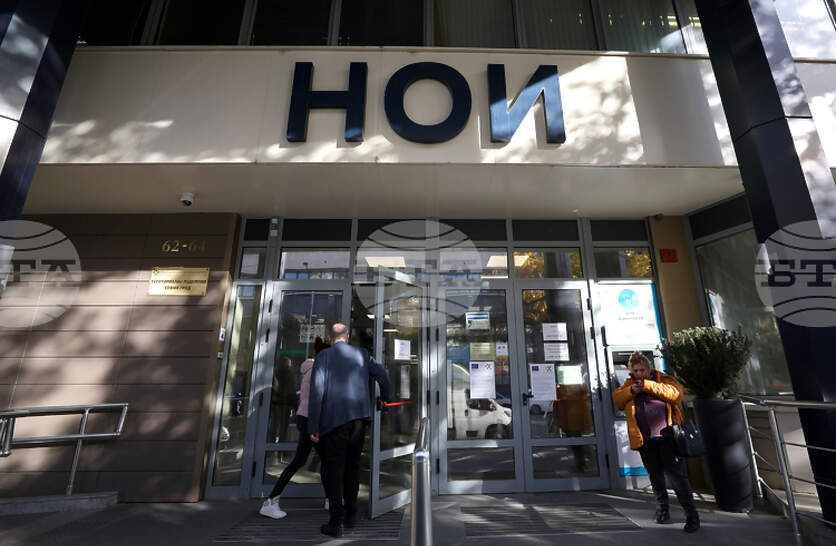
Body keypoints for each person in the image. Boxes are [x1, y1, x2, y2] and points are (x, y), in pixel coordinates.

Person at [307, 323, 392, 538]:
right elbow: (383, 374)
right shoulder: (362, 354)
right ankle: (351, 516)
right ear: (346, 338)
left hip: (334, 422)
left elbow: (316, 393)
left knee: (333, 471)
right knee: (352, 468)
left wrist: (313, 425)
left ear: (330, 338)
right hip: (358, 420)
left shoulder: (323, 357)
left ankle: (336, 522)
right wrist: (386, 398)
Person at [612, 351, 700, 533]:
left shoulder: (663, 379)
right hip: (645, 439)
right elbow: (617, 399)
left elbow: (676, 395)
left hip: (668, 438)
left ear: (649, 369)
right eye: (635, 371)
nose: (639, 374)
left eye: (642, 370)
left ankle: (692, 516)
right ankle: (662, 510)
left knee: (677, 478)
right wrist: (632, 390)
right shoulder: (629, 384)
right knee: (655, 476)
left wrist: (648, 385)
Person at [259, 338, 330, 519]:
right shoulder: (318, 369)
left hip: (306, 419)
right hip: (312, 420)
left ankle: (330, 498)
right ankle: (270, 501)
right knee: (312, 460)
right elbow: (317, 399)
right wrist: (315, 426)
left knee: (318, 460)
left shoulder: (311, 368)